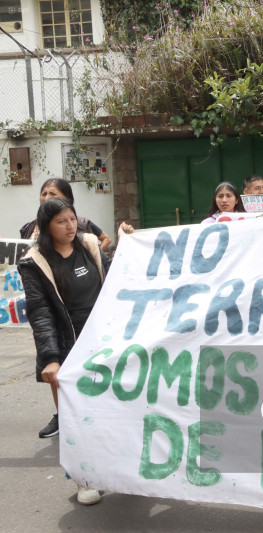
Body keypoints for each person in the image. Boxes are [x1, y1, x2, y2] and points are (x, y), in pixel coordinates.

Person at [18, 198, 134, 504]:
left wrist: (127, 243)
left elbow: (117, 279)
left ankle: (123, 471)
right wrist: (51, 359)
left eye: (72, 219)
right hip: (69, 347)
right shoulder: (35, 262)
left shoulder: (89, 245)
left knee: (117, 409)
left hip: (105, 342)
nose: (70, 226)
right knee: (79, 417)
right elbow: (41, 314)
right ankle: (84, 479)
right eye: (61, 222)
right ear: (46, 227)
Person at [19, 178, 112, 250]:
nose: (47, 198)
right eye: (44, 194)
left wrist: (93, 254)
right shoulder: (29, 228)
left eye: (53, 194)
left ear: (68, 199)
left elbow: (106, 239)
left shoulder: (81, 224)